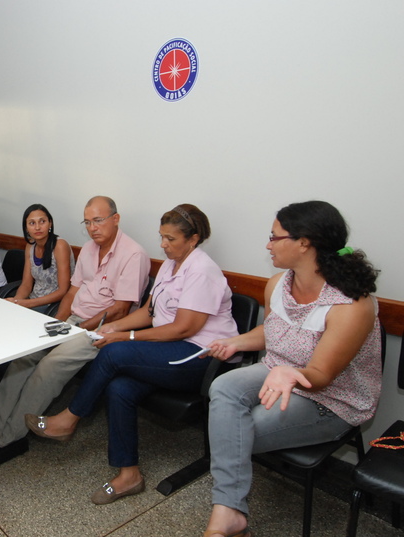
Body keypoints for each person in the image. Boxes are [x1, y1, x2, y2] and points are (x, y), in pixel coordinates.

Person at [26, 203, 238, 505]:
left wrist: (125, 336)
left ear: (193, 239)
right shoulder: (170, 265)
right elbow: (150, 312)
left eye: (171, 239)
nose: (163, 245)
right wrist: (114, 327)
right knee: (119, 387)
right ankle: (130, 475)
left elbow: (183, 328)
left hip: (200, 357)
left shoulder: (202, 270)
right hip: (168, 350)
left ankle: (68, 419)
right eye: (161, 237)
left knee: (114, 353)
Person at [201, 201, 382, 537]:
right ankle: (230, 511)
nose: (268, 245)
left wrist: (290, 374)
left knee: (237, 432)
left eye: (274, 237)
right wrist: (236, 342)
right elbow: (274, 331)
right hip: (279, 370)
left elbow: (321, 375)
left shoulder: (350, 304)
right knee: (223, 388)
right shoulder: (278, 284)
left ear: (304, 243)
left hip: (331, 397)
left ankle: (228, 511)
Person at [0, 196, 150, 450]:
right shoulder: (88, 249)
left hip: (101, 330)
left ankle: (9, 435)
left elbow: (120, 309)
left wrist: (81, 328)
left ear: (115, 219)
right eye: (87, 222)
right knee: (27, 355)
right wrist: (59, 323)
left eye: (98, 220)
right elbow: (71, 292)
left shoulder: (133, 255)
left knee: (50, 365)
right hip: (73, 320)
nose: (93, 228)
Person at [5, 204, 75, 313]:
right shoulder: (30, 246)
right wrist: (16, 301)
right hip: (34, 301)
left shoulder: (60, 246)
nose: (37, 227)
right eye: (32, 223)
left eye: (42, 221)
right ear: (26, 228)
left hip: (55, 305)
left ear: (50, 223)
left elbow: (63, 291)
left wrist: (27, 304)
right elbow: (26, 284)